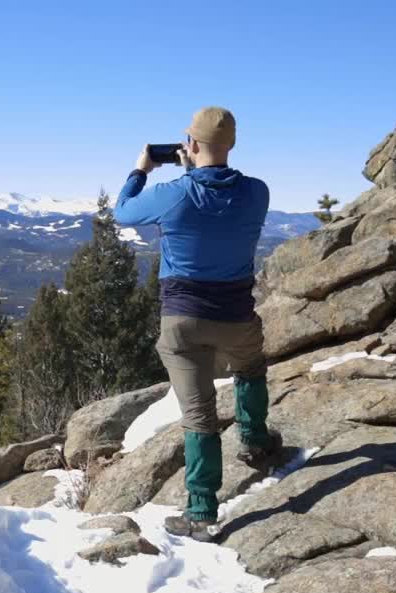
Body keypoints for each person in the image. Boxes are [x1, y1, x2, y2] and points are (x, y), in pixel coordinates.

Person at [114, 106, 281, 542]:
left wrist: (140, 169)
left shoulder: (174, 192)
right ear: (232, 144)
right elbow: (221, 197)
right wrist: (195, 170)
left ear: (189, 144)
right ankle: (256, 441)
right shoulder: (257, 192)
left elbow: (124, 212)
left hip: (184, 320)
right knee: (249, 370)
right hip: (237, 315)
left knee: (199, 415)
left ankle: (203, 511)